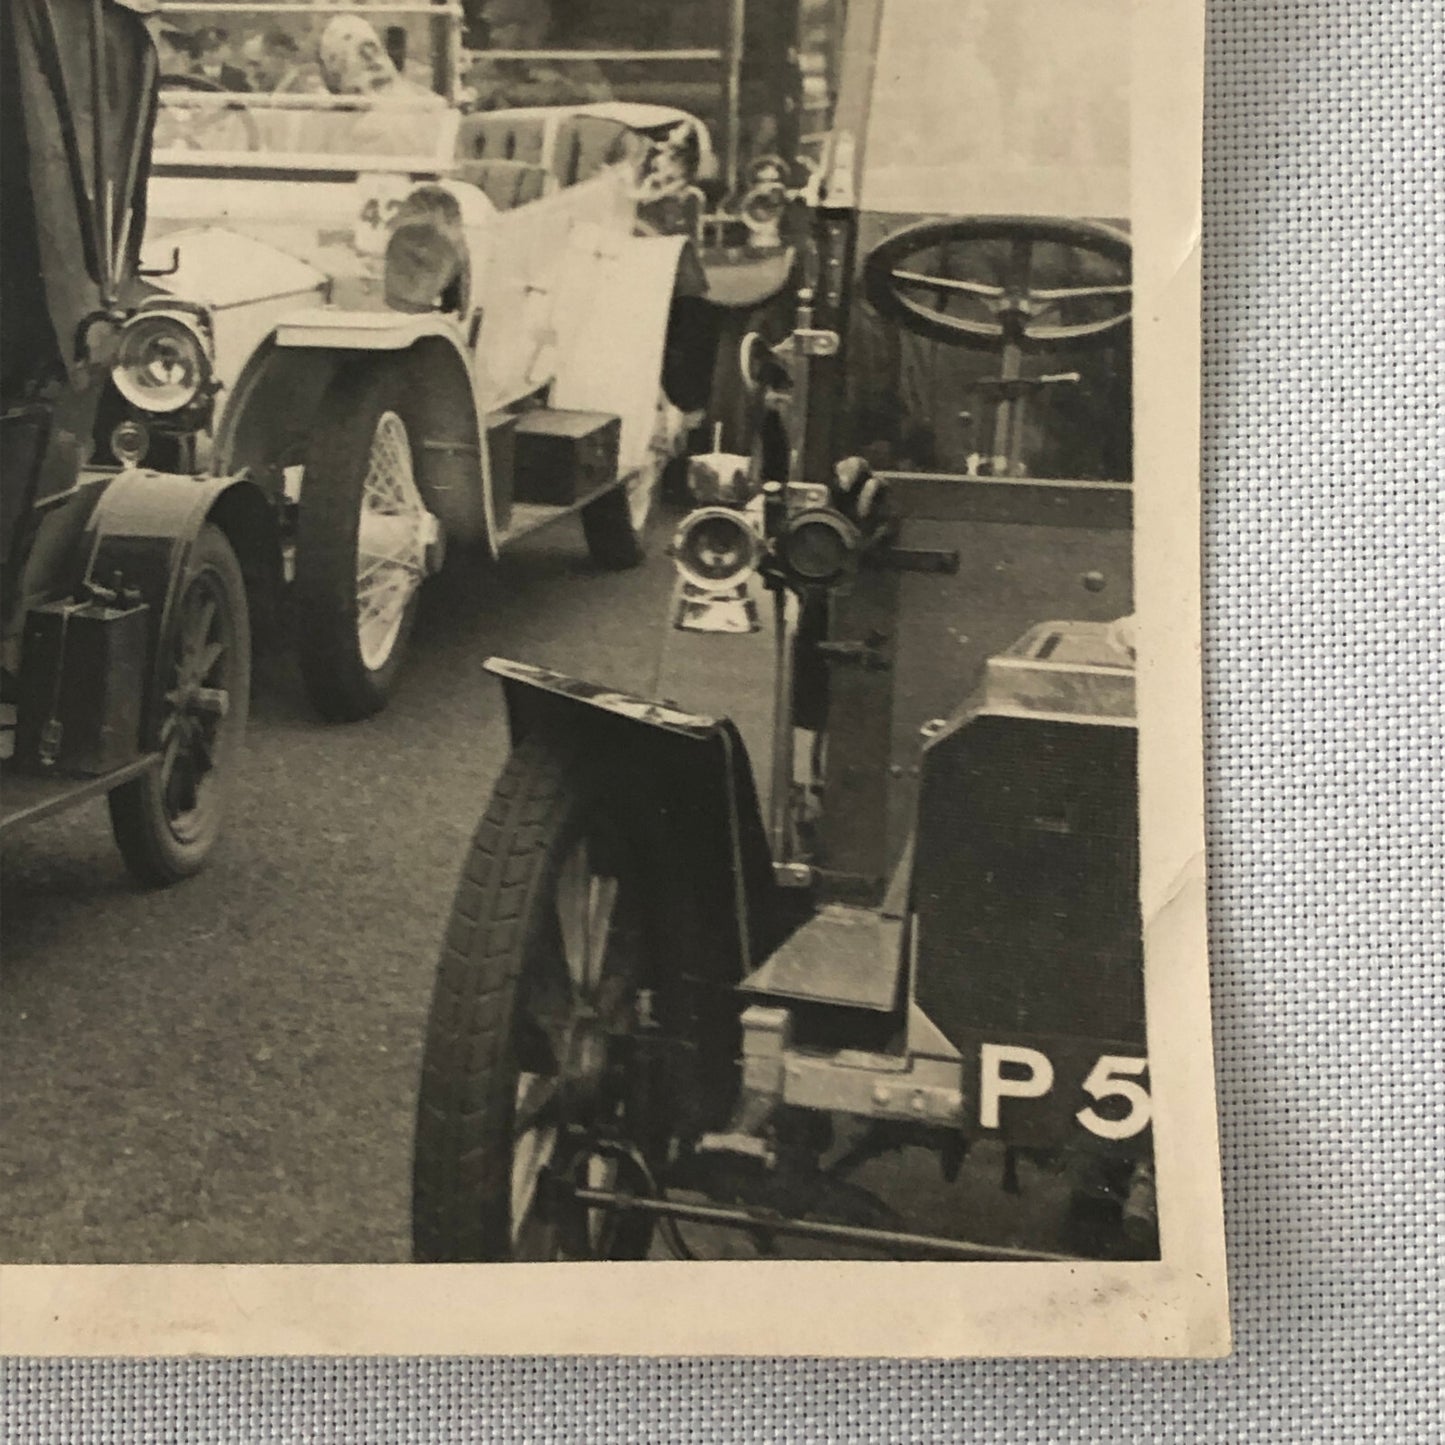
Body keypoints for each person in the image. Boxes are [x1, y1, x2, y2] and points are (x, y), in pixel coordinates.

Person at [240, 29, 324, 95]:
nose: (255, 71)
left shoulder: (305, 79)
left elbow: (326, 104)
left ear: (279, 55)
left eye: (257, 64)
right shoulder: (274, 85)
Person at [191, 27, 251, 92]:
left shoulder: (238, 76)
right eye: (207, 49)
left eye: (217, 48)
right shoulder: (189, 76)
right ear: (199, 50)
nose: (212, 53)